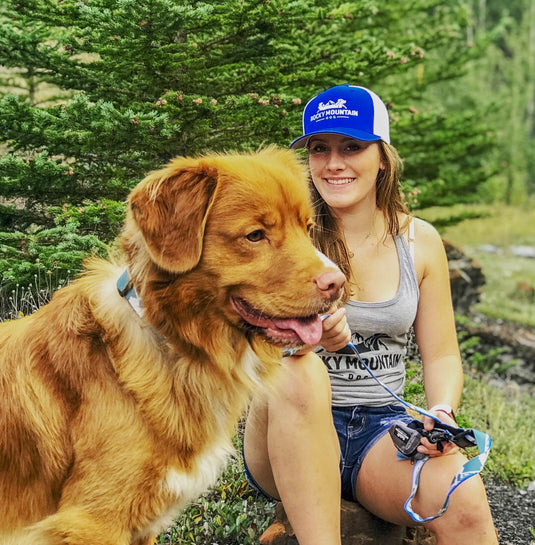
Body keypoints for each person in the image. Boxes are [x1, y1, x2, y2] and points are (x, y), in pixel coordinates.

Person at [243, 84, 498, 545]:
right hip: (286, 426)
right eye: (320, 149)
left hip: (382, 433)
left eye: (353, 147)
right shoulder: (282, 237)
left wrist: (440, 414)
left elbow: (441, 356)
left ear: (383, 156)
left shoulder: (419, 242)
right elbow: (243, 344)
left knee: (464, 498)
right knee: (300, 373)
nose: (334, 163)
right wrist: (309, 338)